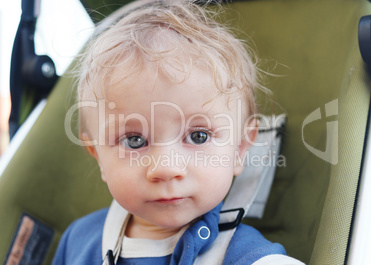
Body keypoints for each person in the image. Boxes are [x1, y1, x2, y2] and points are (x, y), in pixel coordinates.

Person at [53, 0, 305, 264]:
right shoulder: (78, 241)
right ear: (98, 156)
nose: (165, 168)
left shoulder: (241, 254)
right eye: (135, 141)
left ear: (240, 149)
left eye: (198, 136)